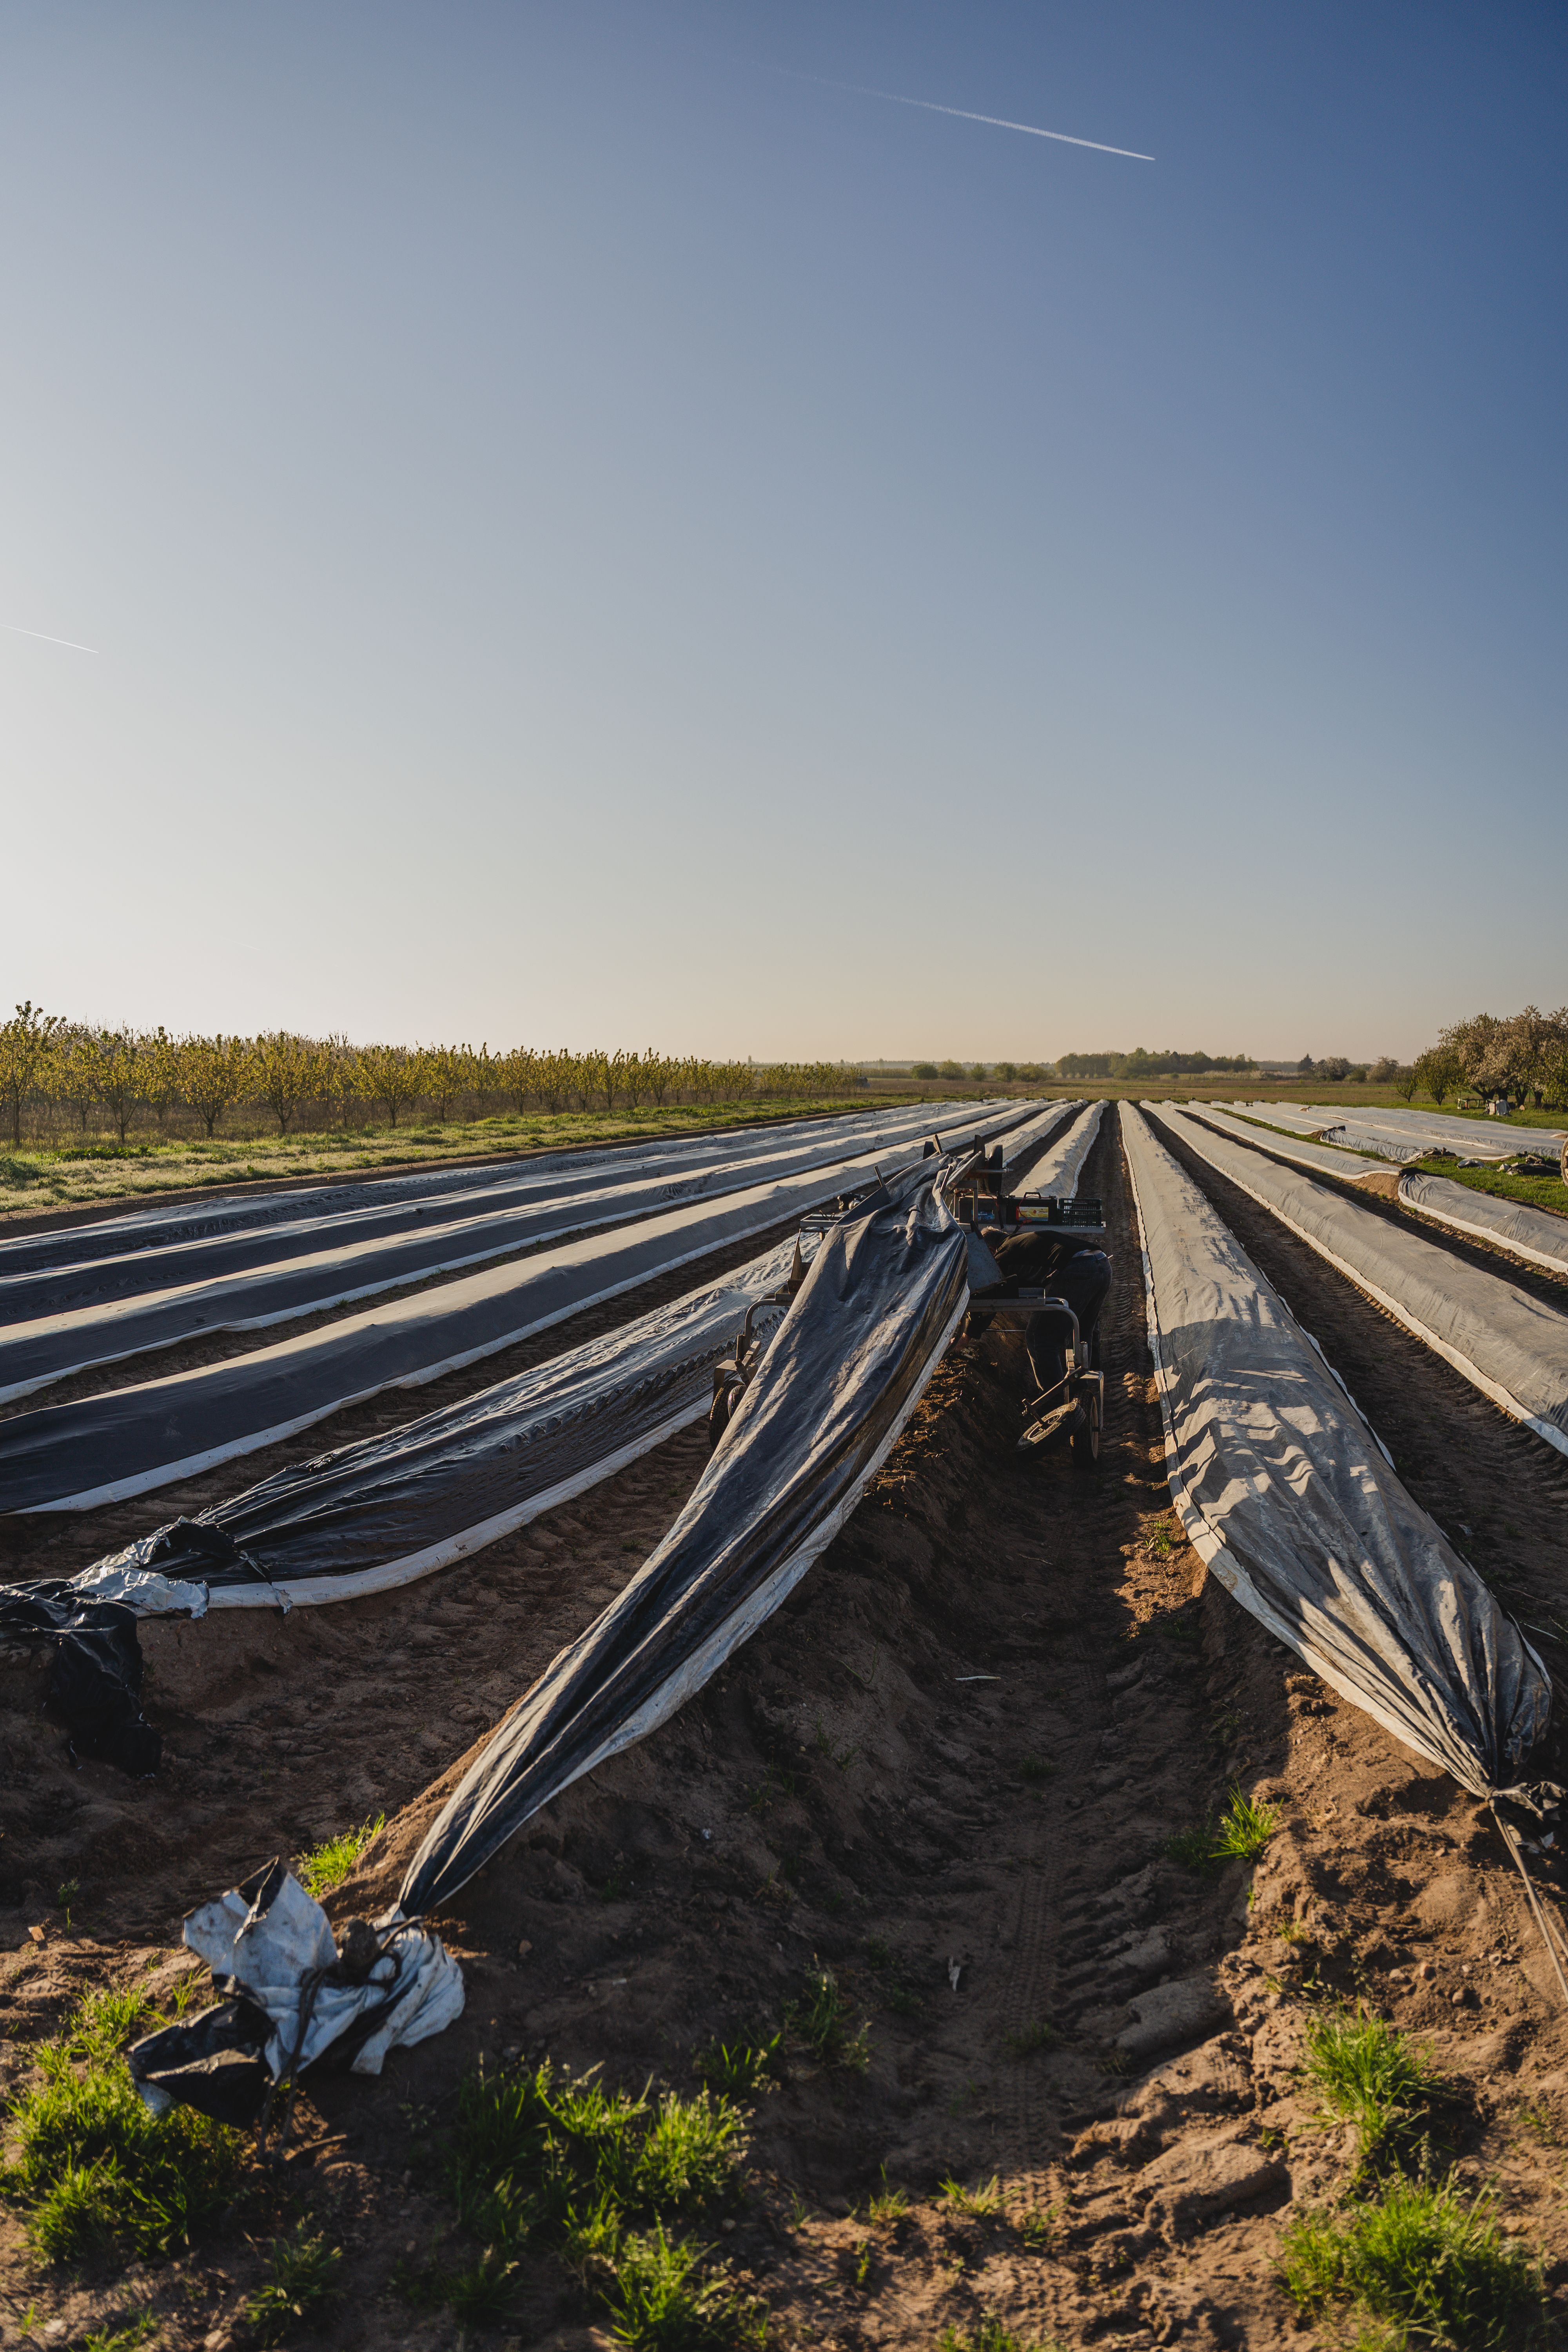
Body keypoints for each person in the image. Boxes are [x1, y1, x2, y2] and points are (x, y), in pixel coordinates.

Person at [990, 1225, 1112, 1401]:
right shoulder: (1022, 1241)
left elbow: (992, 1292)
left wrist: (968, 1335)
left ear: (990, 1249)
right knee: (1082, 1330)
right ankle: (1080, 1389)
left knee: (1039, 1338)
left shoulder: (1004, 1252)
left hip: (1080, 1268)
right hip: (1102, 1263)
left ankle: (1054, 1401)